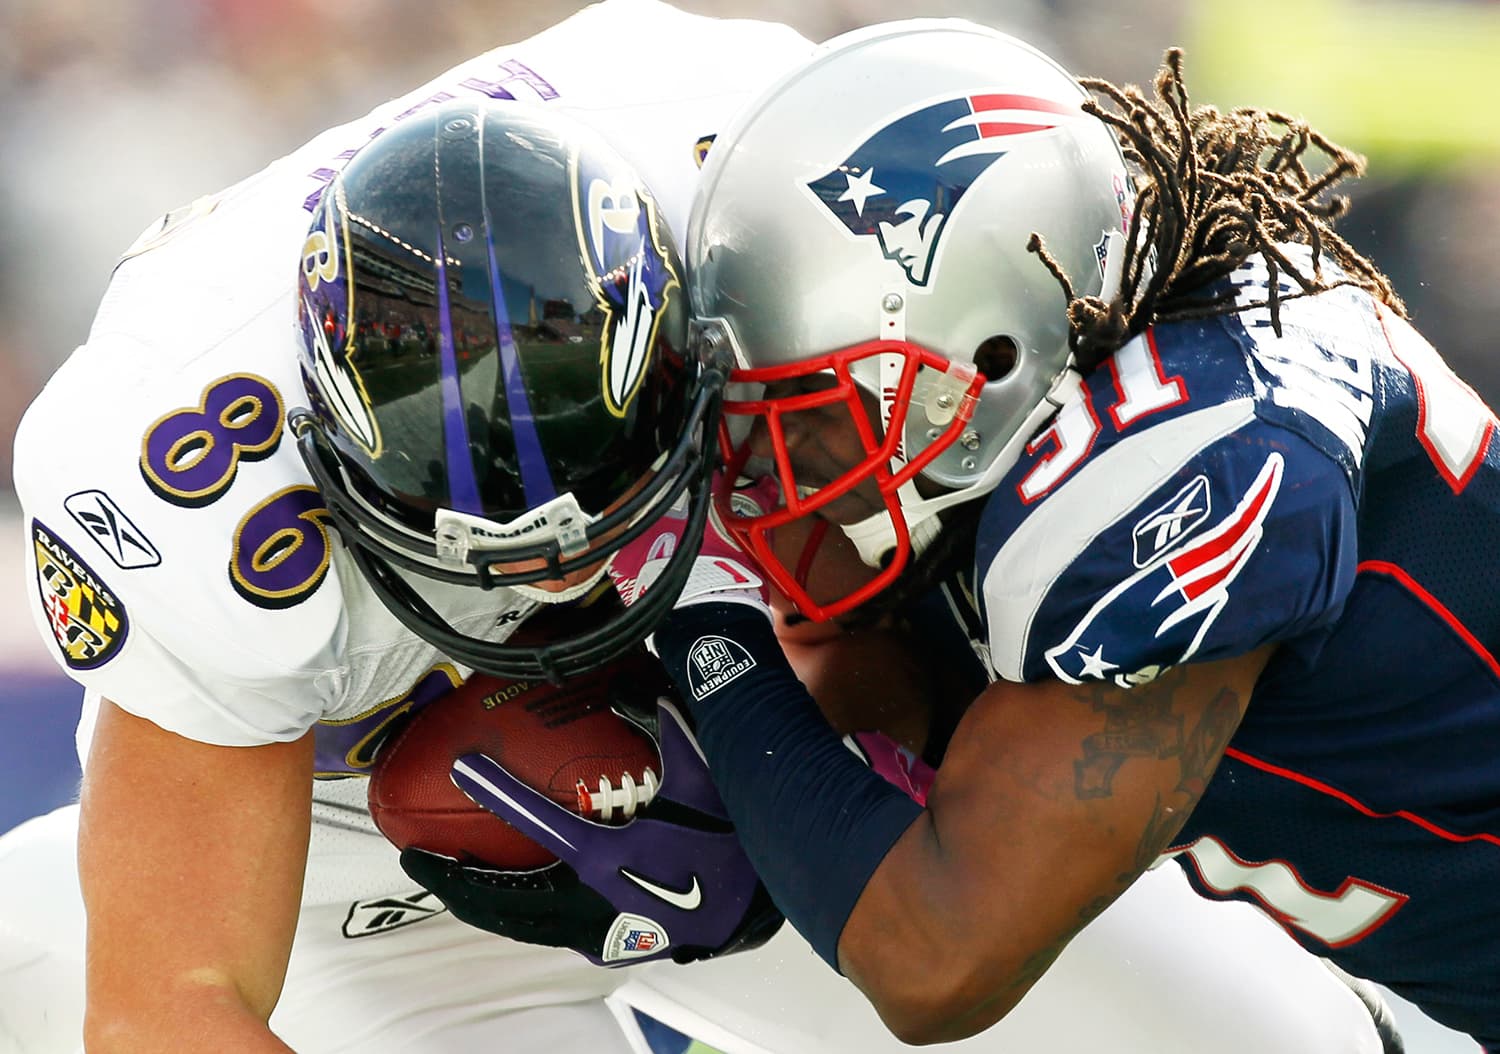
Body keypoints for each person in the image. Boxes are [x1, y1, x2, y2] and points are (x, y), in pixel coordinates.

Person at [0, 4, 1401, 1053]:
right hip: (370, 843)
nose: (553, 600)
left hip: (766, 718)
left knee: (1273, 1042)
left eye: (599, 529)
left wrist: (789, 751)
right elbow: (172, 1005)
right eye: (491, 575)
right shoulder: (184, 487)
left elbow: (965, 523)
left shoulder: (776, 209)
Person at [576, 15, 1498, 1052]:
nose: (768, 471)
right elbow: (918, 706)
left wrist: (703, 612)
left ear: (992, 353)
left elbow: (938, 957)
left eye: (808, 413)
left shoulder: (1184, 467)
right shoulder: (1090, 367)